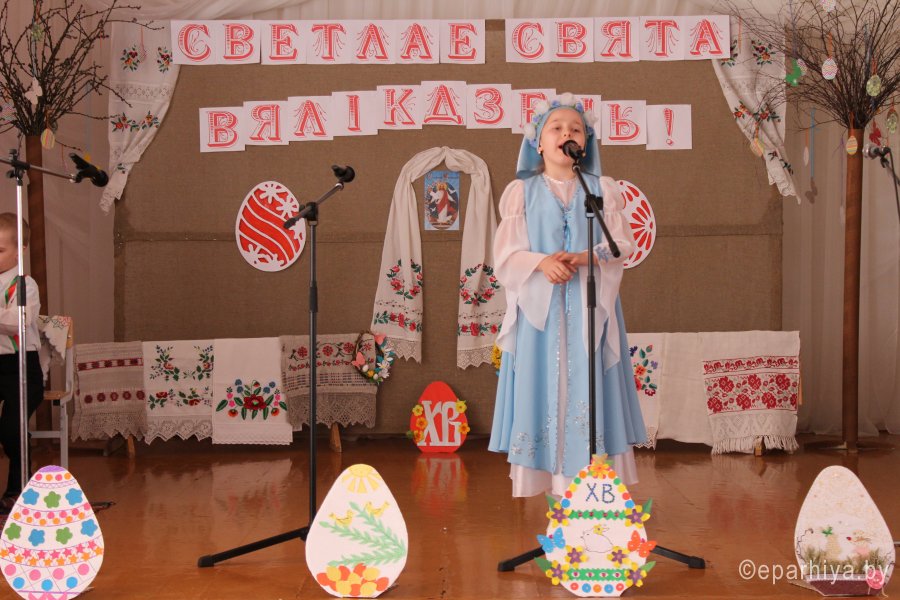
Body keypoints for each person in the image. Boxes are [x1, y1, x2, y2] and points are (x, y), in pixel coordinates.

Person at [488, 94, 647, 497]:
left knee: (590, 381)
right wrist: (541, 263)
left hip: (589, 306)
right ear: (538, 143)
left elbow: (620, 246)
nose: (567, 133)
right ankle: (553, 480)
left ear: (585, 143)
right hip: (541, 312)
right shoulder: (521, 192)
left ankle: (594, 479)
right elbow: (505, 256)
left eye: (576, 129)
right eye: (556, 128)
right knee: (545, 384)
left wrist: (584, 258)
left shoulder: (601, 189)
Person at [0, 213, 43, 512]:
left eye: (0, 249)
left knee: (12, 430)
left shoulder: (25, 285)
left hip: (21, 367)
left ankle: (18, 490)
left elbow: (19, 321)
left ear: (21, 250)